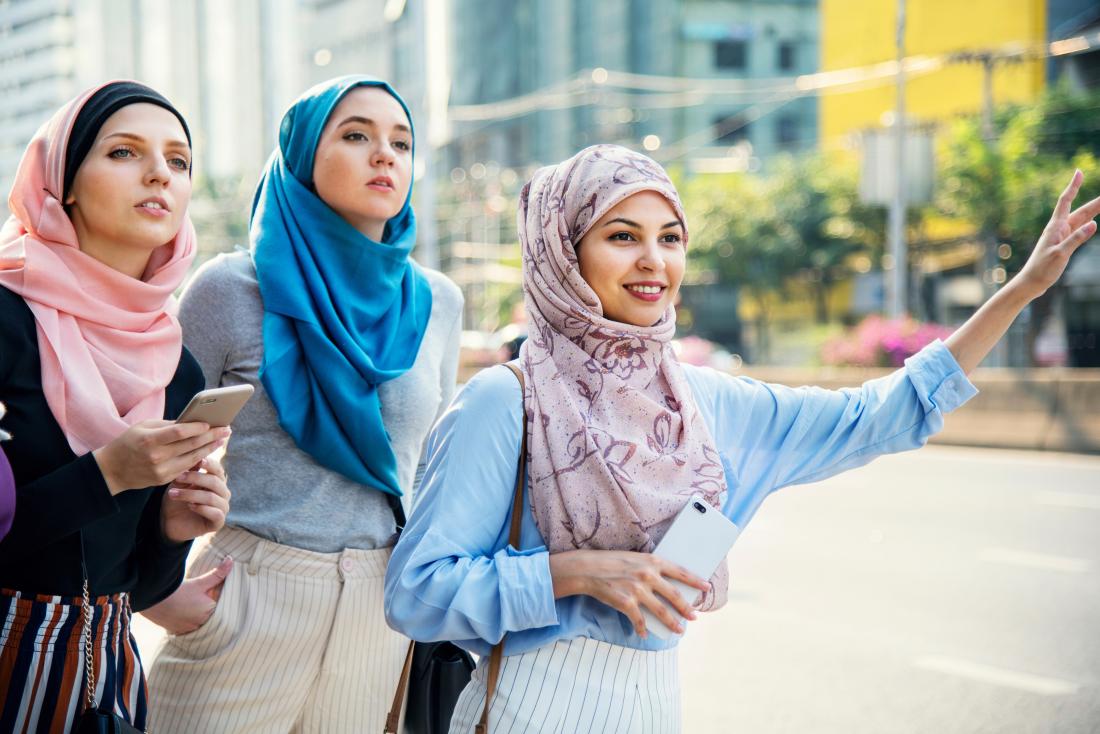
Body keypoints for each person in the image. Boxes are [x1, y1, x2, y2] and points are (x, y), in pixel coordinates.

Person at [384, 144, 1099, 733]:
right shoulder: (506, 401)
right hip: (525, 707)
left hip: (655, 706)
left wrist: (1021, 291)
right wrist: (578, 571)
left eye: (670, 239)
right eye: (621, 236)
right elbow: (416, 593)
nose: (653, 262)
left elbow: (879, 413)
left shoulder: (705, 405)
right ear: (562, 253)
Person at [144, 75, 463, 733]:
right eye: (355, 136)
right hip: (250, 595)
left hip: (379, 611)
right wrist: (154, 591)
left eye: (401, 142)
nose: (385, 156)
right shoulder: (230, 289)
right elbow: (143, 450)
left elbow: (434, 468)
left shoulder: (439, 303)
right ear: (301, 155)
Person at [0, 81, 231, 733]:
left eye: (179, 161)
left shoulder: (172, 360)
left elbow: (133, 585)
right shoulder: (6, 321)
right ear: (62, 180)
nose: (160, 172)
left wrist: (173, 530)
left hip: (104, 685)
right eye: (125, 152)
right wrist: (104, 476)